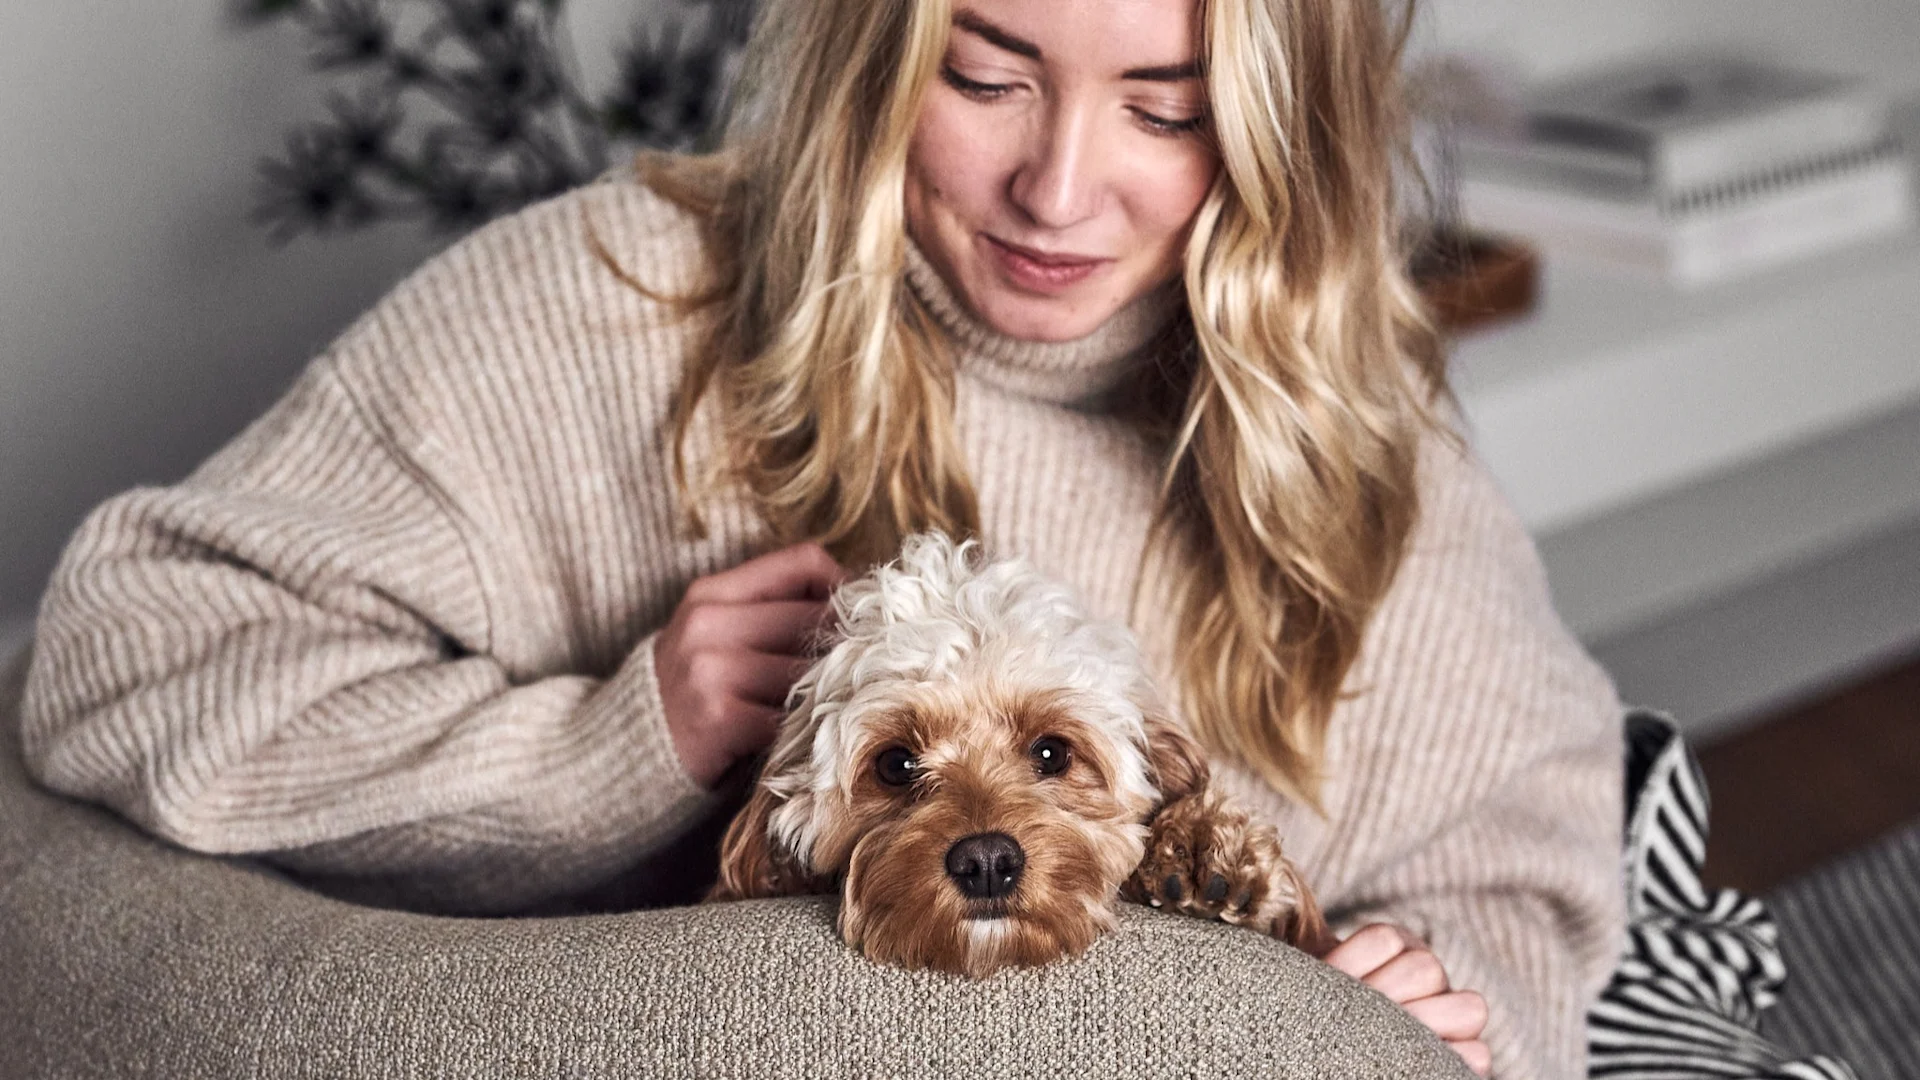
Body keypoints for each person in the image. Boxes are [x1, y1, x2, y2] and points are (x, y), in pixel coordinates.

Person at [16, 0, 1624, 1076]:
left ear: (1277, 126)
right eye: (985, 77)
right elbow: (118, 656)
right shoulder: (607, 307)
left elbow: (1527, 871)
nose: (1059, 190)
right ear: (877, 47)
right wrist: (612, 744)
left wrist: (1422, 1005)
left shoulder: (1345, 421)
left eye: (1167, 109)